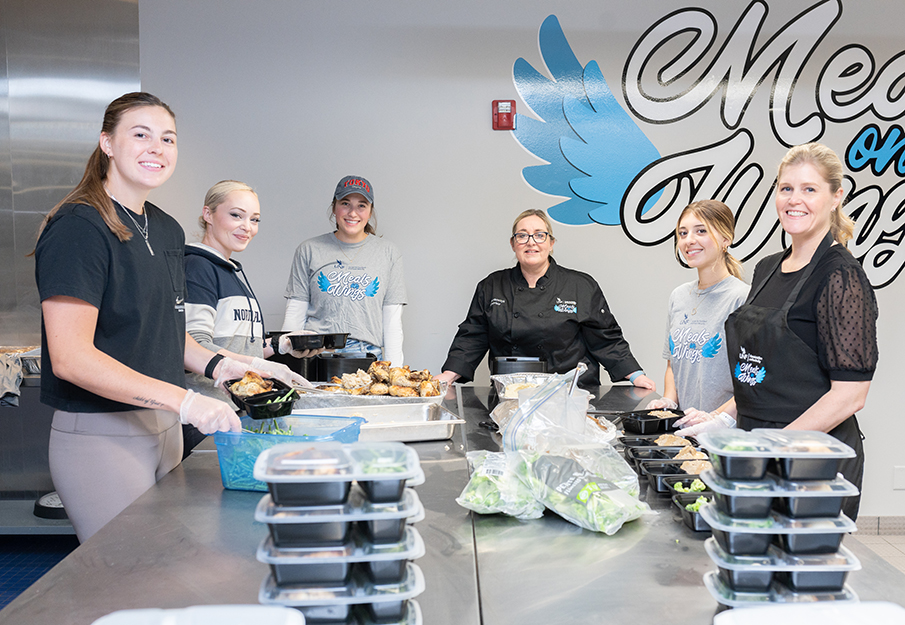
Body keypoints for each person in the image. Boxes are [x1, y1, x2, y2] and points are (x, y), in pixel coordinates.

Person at [33, 93, 300, 541]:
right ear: (107, 143)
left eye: (168, 138)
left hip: (163, 425)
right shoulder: (79, 226)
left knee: (166, 570)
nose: (157, 148)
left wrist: (228, 366)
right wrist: (186, 401)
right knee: (125, 577)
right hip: (103, 431)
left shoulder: (166, 228)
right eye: (140, 135)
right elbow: (71, 358)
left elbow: (167, 331)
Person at [676, 143, 879, 520]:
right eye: (786, 189)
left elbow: (850, 396)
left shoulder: (841, 276)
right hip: (755, 452)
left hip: (811, 464)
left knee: (799, 573)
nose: (794, 200)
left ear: (836, 196)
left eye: (809, 189)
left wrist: (773, 447)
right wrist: (723, 419)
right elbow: (762, 371)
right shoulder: (768, 268)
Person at [436, 209, 656, 390]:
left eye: (539, 235)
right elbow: (472, 336)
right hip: (511, 394)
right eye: (522, 235)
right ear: (513, 244)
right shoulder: (492, 285)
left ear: (551, 243)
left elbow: (605, 338)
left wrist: (634, 374)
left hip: (571, 394)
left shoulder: (580, 285)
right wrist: (449, 374)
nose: (531, 242)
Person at [183, 180, 318, 455]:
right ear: (208, 214)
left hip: (235, 412)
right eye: (236, 215)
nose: (248, 227)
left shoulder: (231, 271)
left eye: (254, 219)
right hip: (206, 416)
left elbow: (236, 347)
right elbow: (193, 345)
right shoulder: (197, 267)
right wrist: (257, 364)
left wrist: (281, 347)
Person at [282, 176, 407, 366]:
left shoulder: (388, 252)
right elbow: (295, 313)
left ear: (370, 211)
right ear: (334, 207)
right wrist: (286, 364)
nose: (353, 212)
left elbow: (391, 321)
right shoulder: (309, 249)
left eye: (361, 205)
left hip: (367, 358)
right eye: (345, 203)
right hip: (315, 355)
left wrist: (395, 371)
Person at [646, 200, 748, 413]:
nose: (689, 240)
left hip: (724, 435)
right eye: (683, 233)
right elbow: (673, 364)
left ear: (725, 239)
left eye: (700, 231)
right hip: (684, 428)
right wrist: (669, 401)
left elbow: (751, 378)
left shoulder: (742, 297)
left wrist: (715, 419)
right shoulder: (679, 296)